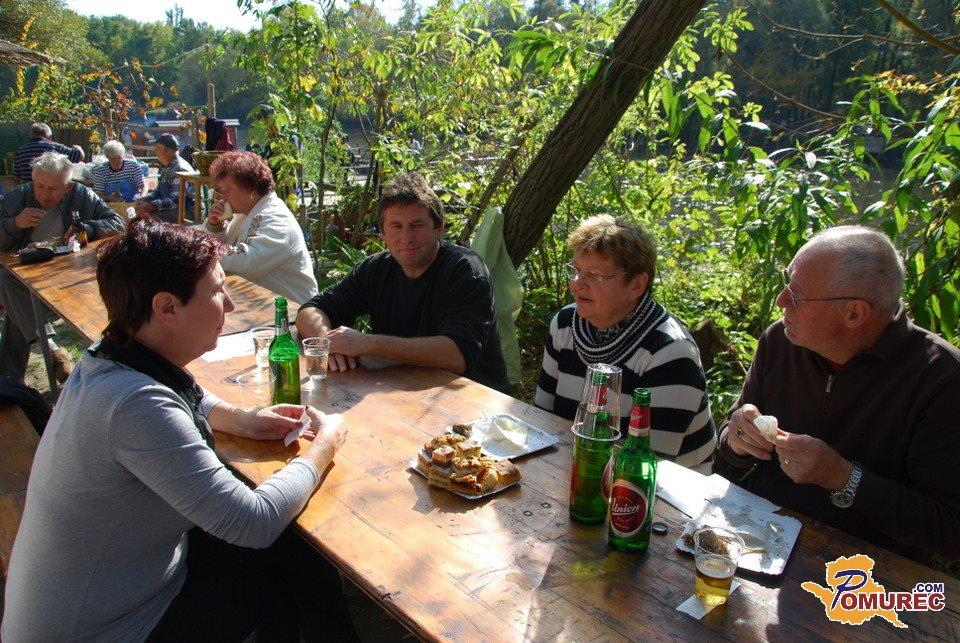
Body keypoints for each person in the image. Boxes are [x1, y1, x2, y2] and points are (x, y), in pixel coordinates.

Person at [1, 219, 355, 641]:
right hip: (110, 630)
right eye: (217, 291)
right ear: (167, 308)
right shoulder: (134, 405)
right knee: (294, 566)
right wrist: (325, 444)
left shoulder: (109, 357)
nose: (229, 305)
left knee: (293, 552)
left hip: (117, 597)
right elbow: (254, 521)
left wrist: (242, 418)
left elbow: (188, 395)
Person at [715, 226, 960, 563]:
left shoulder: (941, 379)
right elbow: (728, 448)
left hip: (866, 574)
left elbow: (950, 530)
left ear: (854, 313)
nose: (781, 300)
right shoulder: (780, 343)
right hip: (758, 544)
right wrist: (738, 440)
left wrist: (843, 477)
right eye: (786, 284)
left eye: (797, 295)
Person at [296, 172, 510, 391]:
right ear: (382, 234)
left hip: (472, 398)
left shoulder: (466, 271)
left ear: (439, 227)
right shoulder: (376, 269)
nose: (406, 237)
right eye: (396, 226)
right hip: (401, 391)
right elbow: (310, 310)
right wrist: (327, 344)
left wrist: (367, 343)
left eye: (416, 225)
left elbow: (457, 355)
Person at [534, 215, 716, 472]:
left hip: (664, 491)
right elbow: (542, 422)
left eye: (595, 275)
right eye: (575, 270)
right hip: (574, 468)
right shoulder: (565, 324)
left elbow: (646, 467)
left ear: (636, 285)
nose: (577, 284)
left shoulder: (670, 352)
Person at [0, 151, 124, 383]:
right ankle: (51, 349)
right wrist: (15, 224)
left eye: (53, 189)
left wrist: (87, 228)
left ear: (68, 187)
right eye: (39, 186)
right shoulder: (18, 197)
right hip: (26, 269)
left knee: (17, 309)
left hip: (67, 270)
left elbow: (118, 223)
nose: (44, 194)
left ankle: (10, 380)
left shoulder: (81, 194)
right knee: (8, 282)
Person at [200, 151, 317, 304]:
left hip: (292, 310)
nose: (223, 196)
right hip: (263, 303)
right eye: (220, 189)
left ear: (251, 187)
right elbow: (226, 245)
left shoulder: (276, 219)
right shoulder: (245, 212)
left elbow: (245, 261)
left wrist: (200, 250)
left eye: (228, 189)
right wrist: (215, 226)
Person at [135, 133, 194, 223]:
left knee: (149, 218)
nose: (155, 151)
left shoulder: (179, 168)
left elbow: (176, 201)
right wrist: (145, 199)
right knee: (143, 214)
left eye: (157, 148)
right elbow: (158, 191)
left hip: (186, 211)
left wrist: (152, 206)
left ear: (165, 150)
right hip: (174, 209)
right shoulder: (167, 167)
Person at [12, 122, 85, 182]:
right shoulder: (56, 147)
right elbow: (79, 156)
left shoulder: (20, 151)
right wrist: (77, 147)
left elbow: (16, 175)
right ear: (50, 136)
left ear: (31, 135)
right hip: (52, 189)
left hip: (28, 191)